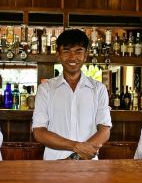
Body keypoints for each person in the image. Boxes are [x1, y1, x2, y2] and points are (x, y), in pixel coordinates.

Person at [32, 29, 112, 160]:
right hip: (54, 165)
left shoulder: (98, 89)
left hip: (88, 167)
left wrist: (75, 157)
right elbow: (39, 132)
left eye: (78, 52)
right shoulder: (46, 89)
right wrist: (75, 146)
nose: (72, 57)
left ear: (86, 55)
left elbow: (104, 131)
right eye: (66, 51)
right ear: (58, 55)